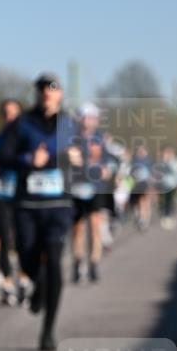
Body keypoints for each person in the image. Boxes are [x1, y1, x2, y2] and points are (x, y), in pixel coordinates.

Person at [0, 73, 80, 351]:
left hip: (58, 206)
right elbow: (3, 156)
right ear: (36, 92)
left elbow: (85, 154)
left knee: (55, 260)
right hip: (28, 206)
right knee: (29, 260)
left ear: (60, 93)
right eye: (42, 87)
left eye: (53, 87)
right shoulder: (22, 124)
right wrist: (28, 159)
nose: (47, 91)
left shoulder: (70, 125)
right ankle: (38, 284)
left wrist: (77, 159)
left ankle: (48, 331)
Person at [70, 103, 115, 282]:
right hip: (77, 189)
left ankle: (94, 263)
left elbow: (112, 160)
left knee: (95, 226)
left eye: (91, 118)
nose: (88, 121)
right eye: (85, 117)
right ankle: (78, 263)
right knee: (78, 228)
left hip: (96, 189)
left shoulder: (102, 139)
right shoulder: (71, 139)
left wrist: (108, 169)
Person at [0, 99, 24, 305]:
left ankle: (25, 279)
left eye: (13, 114)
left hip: (23, 194)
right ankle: (7, 283)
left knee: (23, 239)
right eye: (6, 114)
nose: (9, 118)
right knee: (4, 237)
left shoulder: (26, 139)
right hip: (2, 195)